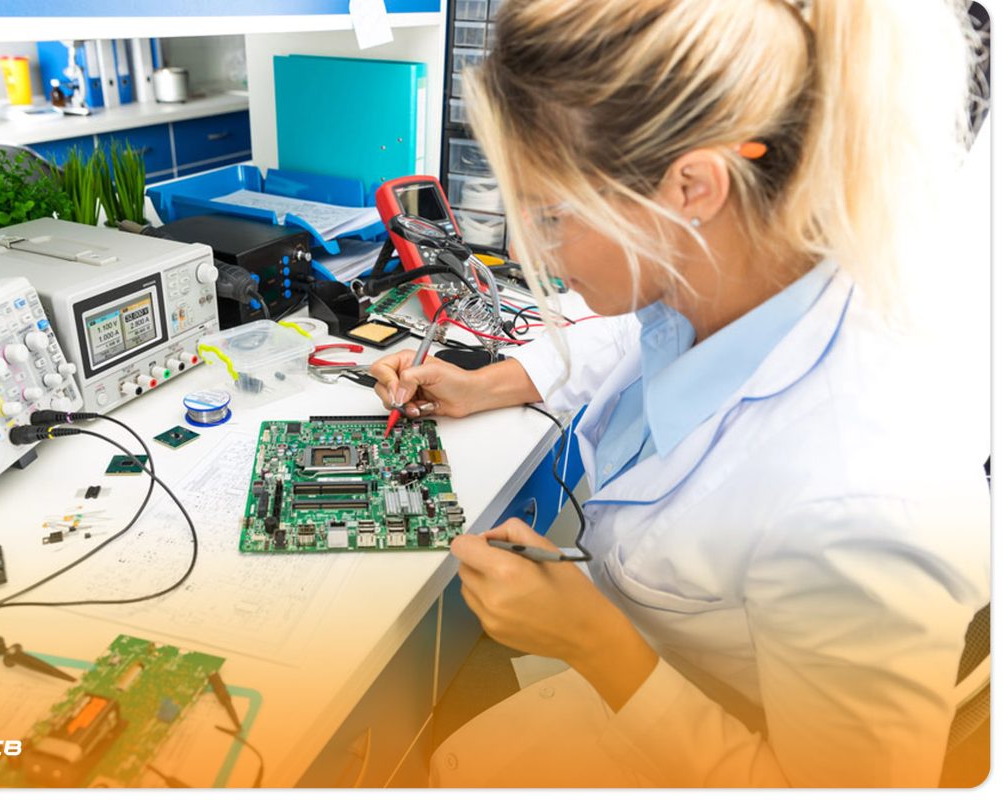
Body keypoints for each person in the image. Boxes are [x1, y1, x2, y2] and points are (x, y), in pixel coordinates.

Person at [369, 0, 988, 788]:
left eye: (552, 214)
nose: (534, 253)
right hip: (662, 687)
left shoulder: (858, 496)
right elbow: (636, 339)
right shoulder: (751, 274)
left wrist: (596, 643)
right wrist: (482, 383)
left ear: (691, 186)